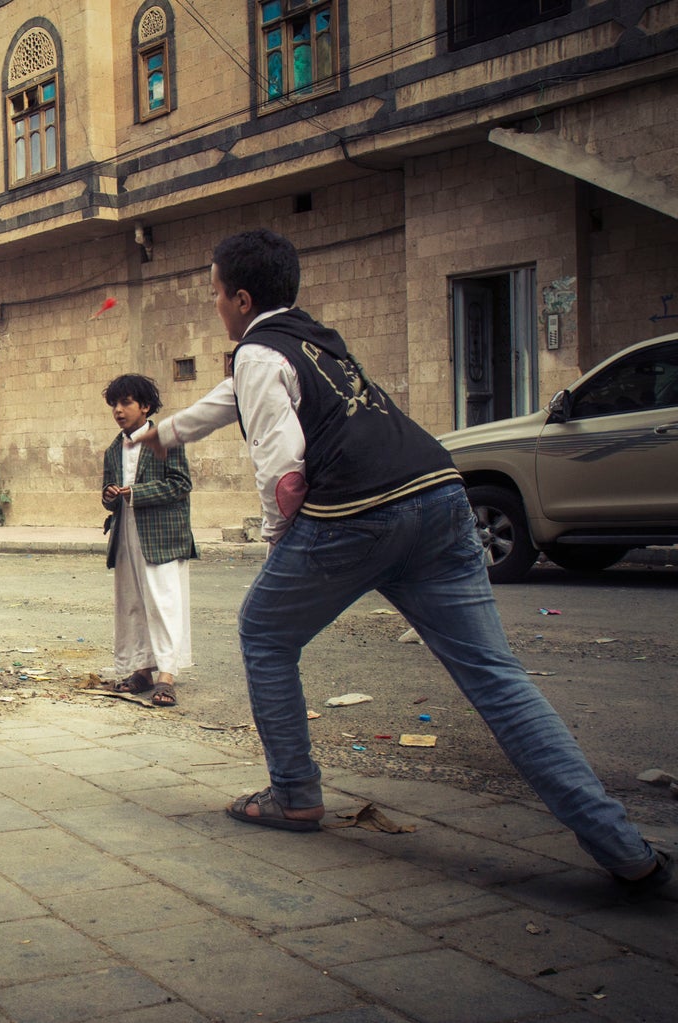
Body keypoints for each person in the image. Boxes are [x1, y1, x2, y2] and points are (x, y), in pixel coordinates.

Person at [133, 228, 671, 894]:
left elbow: (281, 463)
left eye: (214, 292)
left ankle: (295, 793)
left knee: (264, 632)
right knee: (497, 678)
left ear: (240, 299)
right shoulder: (312, 339)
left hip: (358, 513)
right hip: (440, 495)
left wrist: (279, 542)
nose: (213, 303)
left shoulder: (254, 353)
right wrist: (167, 432)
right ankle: (627, 851)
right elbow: (237, 397)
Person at [101, 374, 198, 707]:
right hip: (126, 534)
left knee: (163, 603)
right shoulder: (114, 449)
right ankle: (141, 670)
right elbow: (107, 496)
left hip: (162, 536)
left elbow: (181, 484)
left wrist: (136, 493)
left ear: (145, 406)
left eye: (126, 402)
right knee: (133, 603)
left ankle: (166, 677)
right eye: (114, 403)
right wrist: (112, 495)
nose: (118, 410)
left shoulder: (166, 440)